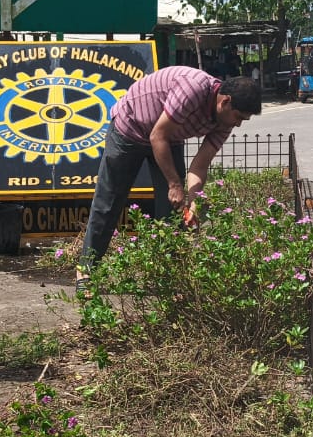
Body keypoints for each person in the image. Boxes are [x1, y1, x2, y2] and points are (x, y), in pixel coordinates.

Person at [78, 67, 262, 285]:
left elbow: (199, 166)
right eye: (239, 117)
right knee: (108, 202)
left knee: (173, 211)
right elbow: (157, 135)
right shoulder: (193, 89)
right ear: (225, 101)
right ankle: (86, 271)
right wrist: (174, 184)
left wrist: (194, 202)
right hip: (130, 129)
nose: (238, 124)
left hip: (169, 139)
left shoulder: (224, 121)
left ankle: (166, 279)